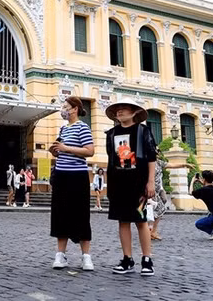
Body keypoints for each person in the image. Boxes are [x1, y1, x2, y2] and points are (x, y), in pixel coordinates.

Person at [104, 99, 157, 276]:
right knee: (122, 221)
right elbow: (111, 159)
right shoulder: (111, 134)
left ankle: (147, 259)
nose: (119, 112)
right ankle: (127, 259)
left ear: (134, 112)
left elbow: (151, 158)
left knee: (141, 221)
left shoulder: (143, 131)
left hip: (138, 184)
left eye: (123, 109)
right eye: (117, 110)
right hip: (118, 183)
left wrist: (150, 182)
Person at [49, 96, 95, 271]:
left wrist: (66, 148)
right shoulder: (62, 128)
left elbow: (89, 151)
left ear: (75, 109)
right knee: (60, 214)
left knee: (81, 214)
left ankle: (86, 257)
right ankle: (60, 255)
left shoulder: (83, 127)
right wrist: (55, 150)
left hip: (77, 176)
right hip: (61, 175)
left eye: (66, 107)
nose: (64, 109)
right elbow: (61, 150)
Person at [149, 150, 168, 240]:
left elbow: (170, 165)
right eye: (156, 153)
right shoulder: (147, 162)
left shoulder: (159, 163)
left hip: (156, 191)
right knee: (146, 211)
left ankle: (152, 231)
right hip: (148, 190)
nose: (158, 154)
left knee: (160, 209)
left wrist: (184, 165)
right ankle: (150, 231)